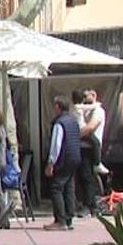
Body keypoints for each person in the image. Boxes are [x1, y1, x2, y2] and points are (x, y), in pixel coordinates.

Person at [43, 95, 82, 232]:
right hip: (75, 157)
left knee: (56, 187)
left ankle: (60, 220)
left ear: (58, 107)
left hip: (63, 159)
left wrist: (50, 162)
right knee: (69, 188)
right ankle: (69, 218)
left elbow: (56, 144)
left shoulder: (59, 123)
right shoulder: (73, 121)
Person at [74, 89, 106, 215]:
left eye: (86, 95)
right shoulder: (83, 109)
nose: (84, 98)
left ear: (94, 95)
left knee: (87, 176)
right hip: (81, 146)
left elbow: (90, 127)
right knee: (82, 176)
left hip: (89, 148)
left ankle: (90, 204)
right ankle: (87, 203)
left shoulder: (98, 111)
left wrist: (74, 135)